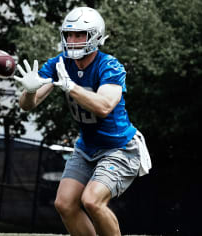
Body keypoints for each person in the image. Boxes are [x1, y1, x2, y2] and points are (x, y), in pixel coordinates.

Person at [13, 7, 151, 236]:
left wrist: (71, 87)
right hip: (87, 148)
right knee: (64, 204)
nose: (73, 40)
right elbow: (28, 104)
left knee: (92, 201)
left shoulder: (110, 65)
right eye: (69, 35)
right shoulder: (61, 63)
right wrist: (28, 91)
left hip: (120, 148)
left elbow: (105, 106)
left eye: (80, 35)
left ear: (95, 36)